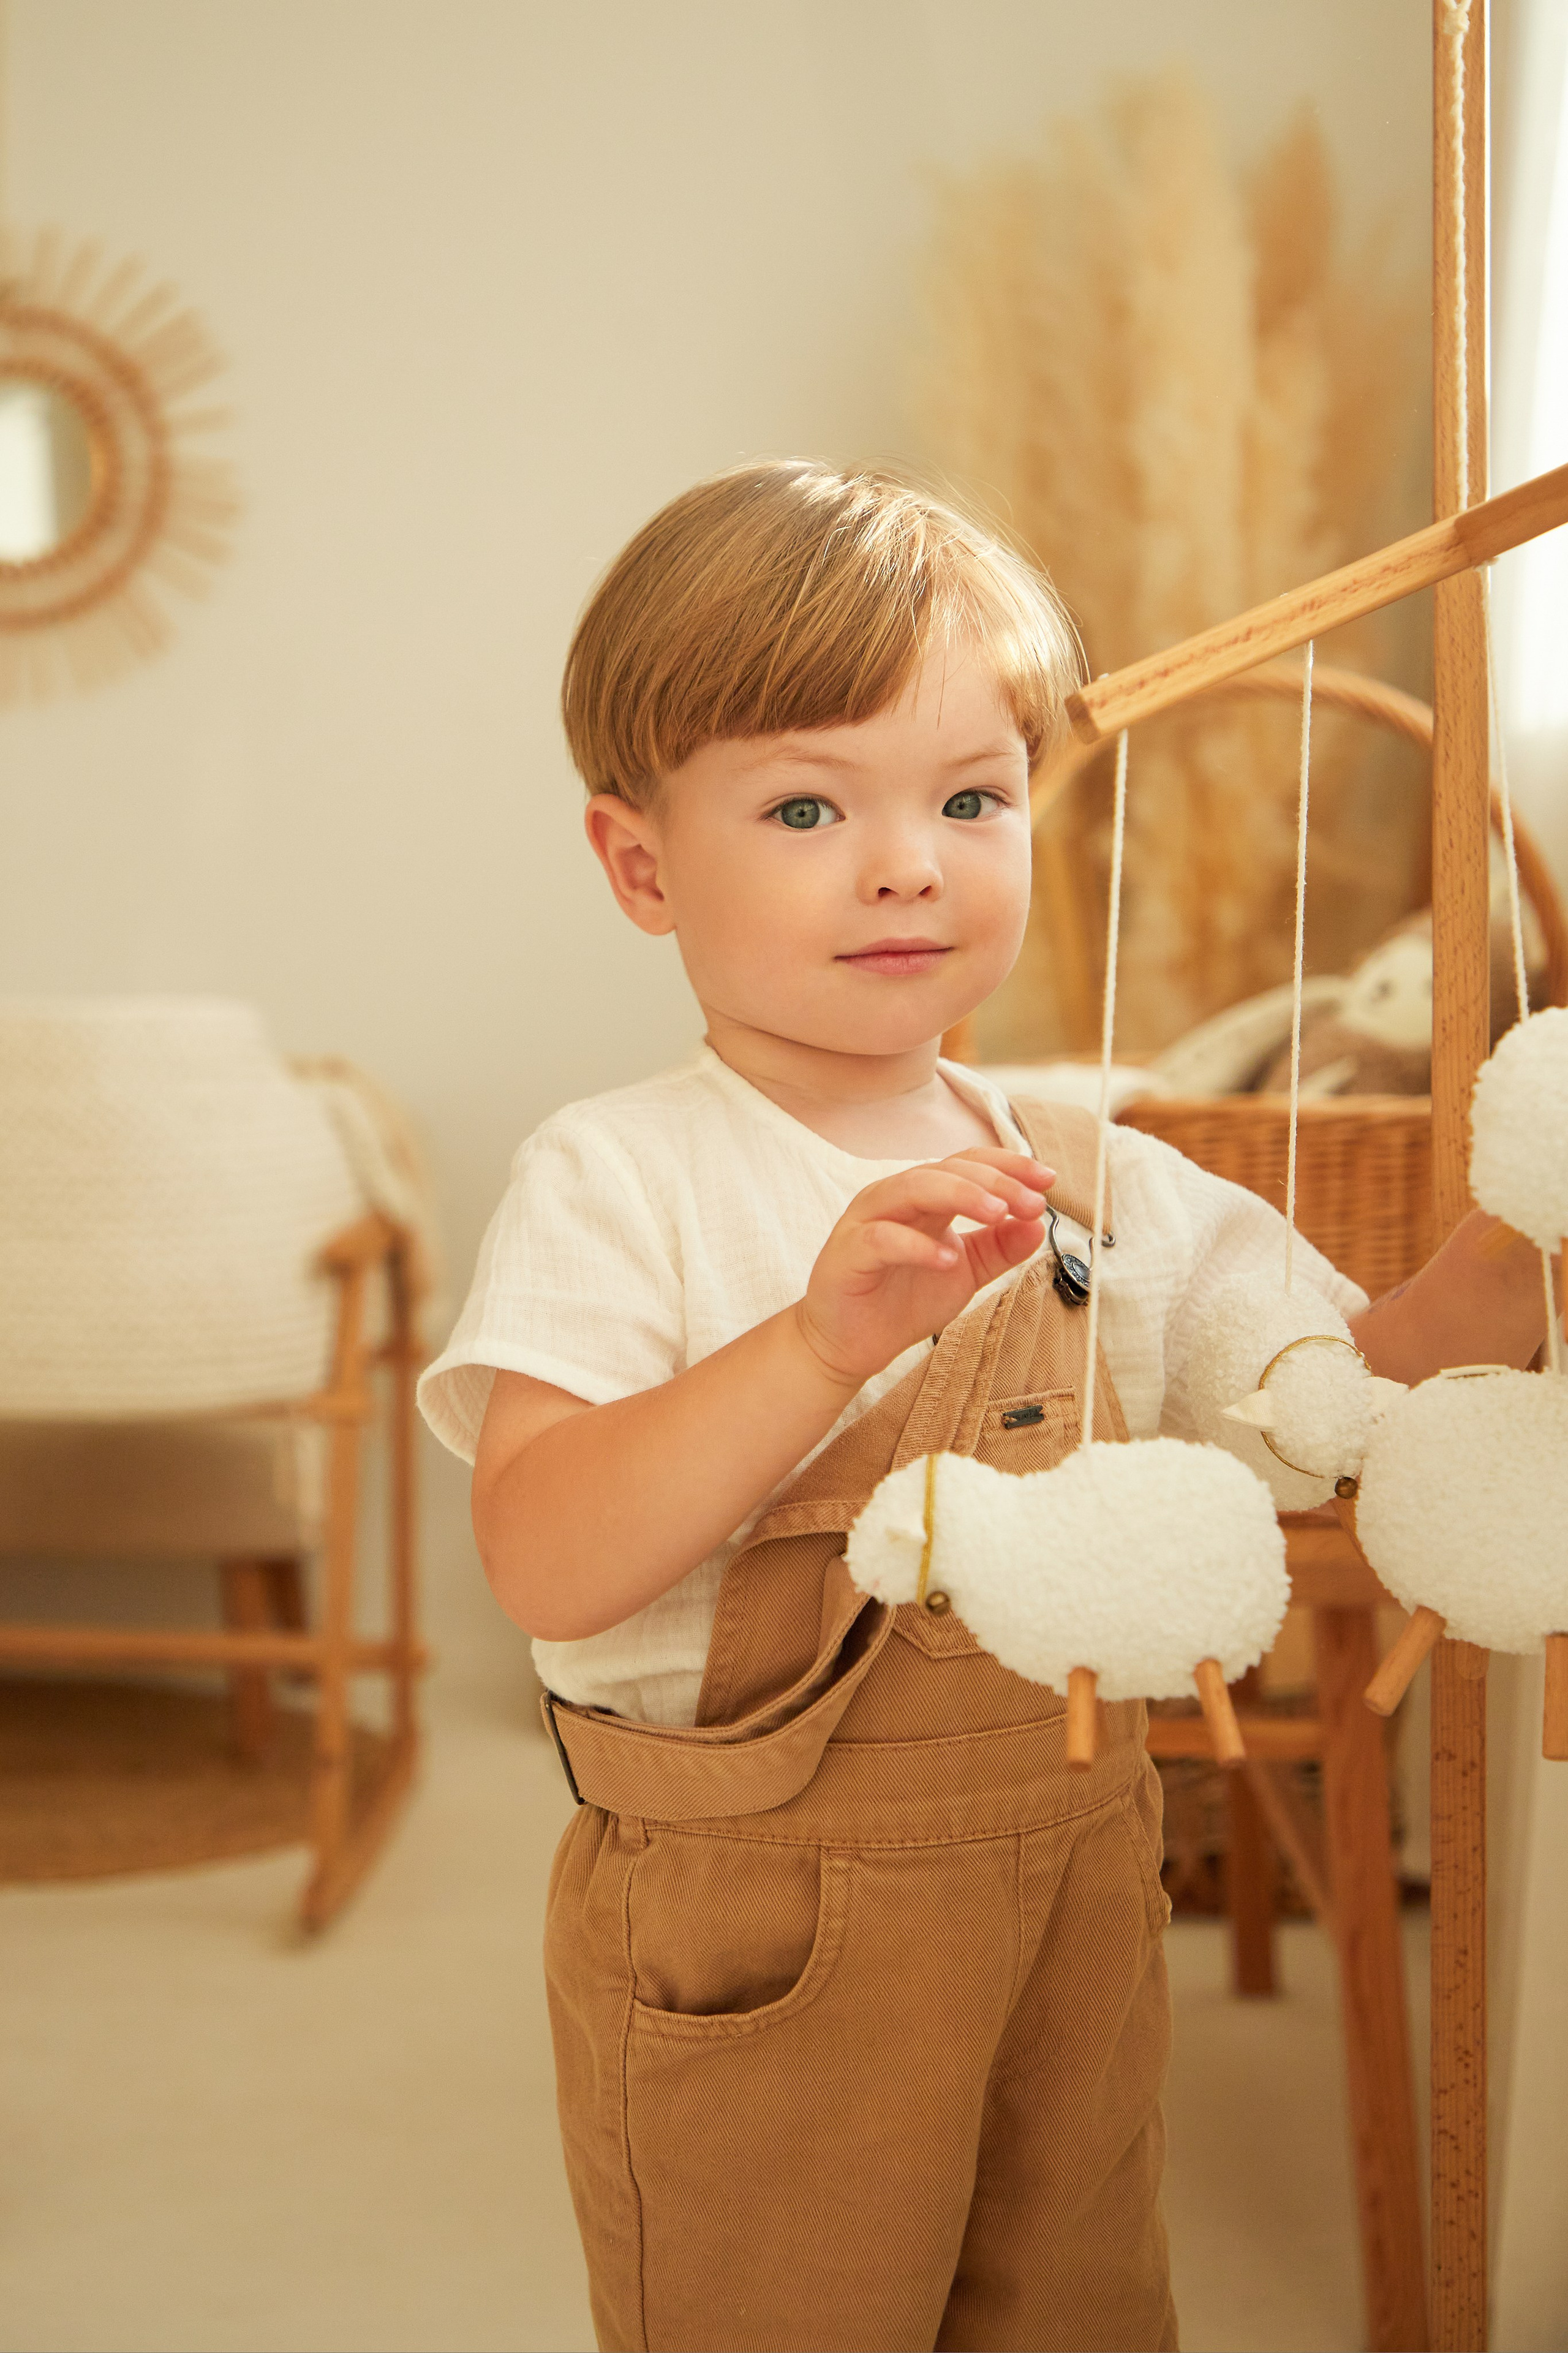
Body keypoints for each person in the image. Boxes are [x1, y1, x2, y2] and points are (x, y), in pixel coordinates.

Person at [419, 461, 1546, 2353]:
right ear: (640, 864)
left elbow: (1338, 1391)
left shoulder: (1098, 1171)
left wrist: (1517, 1242)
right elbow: (542, 1547)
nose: (907, 863)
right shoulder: (620, 1174)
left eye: (968, 799)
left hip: (1077, 1880)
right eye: (806, 805)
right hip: (762, 1909)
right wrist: (813, 1342)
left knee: (1081, 2301)